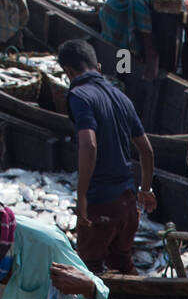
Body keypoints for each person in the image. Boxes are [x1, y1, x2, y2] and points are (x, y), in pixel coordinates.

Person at [57, 39, 156, 276]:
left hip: (101, 201)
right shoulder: (122, 98)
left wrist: (81, 197)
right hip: (128, 203)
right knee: (121, 262)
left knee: (86, 270)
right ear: (98, 66)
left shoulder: (78, 96)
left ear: (69, 72)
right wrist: (146, 189)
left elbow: (89, 145)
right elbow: (147, 150)